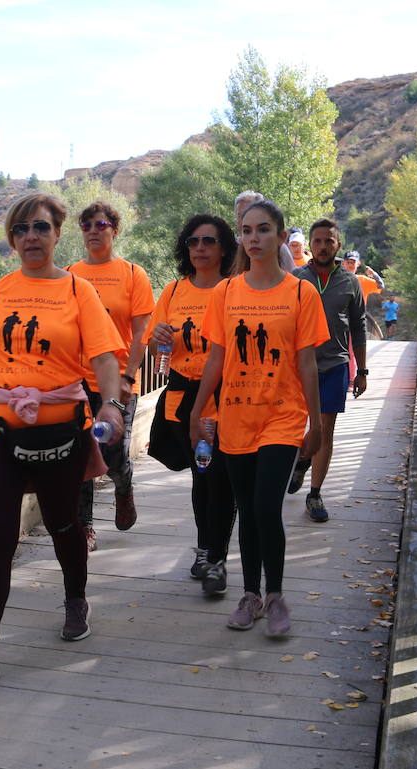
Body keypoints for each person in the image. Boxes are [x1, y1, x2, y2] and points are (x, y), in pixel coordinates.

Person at [0, 193, 126, 686]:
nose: (31, 237)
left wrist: (111, 402)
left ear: (56, 234)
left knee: (63, 522)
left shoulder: (77, 292)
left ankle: (75, 596)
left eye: (41, 228)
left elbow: (106, 356)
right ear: (11, 238)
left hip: (60, 425)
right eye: (21, 229)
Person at [189, 198, 328, 636]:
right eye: (247, 231)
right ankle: (250, 596)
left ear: (282, 237)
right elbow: (216, 357)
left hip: (283, 416)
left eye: (263, 230)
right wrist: (197, 411)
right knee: (247, 510)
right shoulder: (226, 293)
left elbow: (306, 362)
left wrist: (317, 423)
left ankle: (276, 595)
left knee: (267, 506)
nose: (254, 238)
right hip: (236, 415)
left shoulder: (301, 292)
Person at [145, 214, 238, 596]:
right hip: (183, 400)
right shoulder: (172, 292)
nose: (200, 248)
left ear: (223, 248)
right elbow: (153, 349)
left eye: (209, 241)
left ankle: (214, 557)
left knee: (222, 478)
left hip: (227, 399)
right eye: (193, 241)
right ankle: (207, 551)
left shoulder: (236, 291)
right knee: (204, 477)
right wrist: (158, 337)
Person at [68, 202, 155, 549]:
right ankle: (85, 526)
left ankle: (123, 484)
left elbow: (141, 333)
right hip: (76, 380)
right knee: (80, 454)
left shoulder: (133, 274)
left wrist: (129, 377)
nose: (93, 230)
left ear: (114, 230)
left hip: (116, 381)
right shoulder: (70, 275)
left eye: (100, 224)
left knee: (113, 451)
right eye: (86, 225)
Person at [288, 218, 367, 523]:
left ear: (338, 244)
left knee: (325, 430)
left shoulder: (350, 282)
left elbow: (359, 326)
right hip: (297, 366)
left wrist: (362, 371)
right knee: (295, 427)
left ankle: (315, 494)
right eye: (317, 241)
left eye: (329, 241)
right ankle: (300, 458)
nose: (322, 247)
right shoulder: (296, 279)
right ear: (310, 245)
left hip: (334, 364)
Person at [231, 190, 296, 274]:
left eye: (263, 230)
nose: (246, 218)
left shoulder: (279, 249)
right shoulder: (230, 246)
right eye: (240, 215)